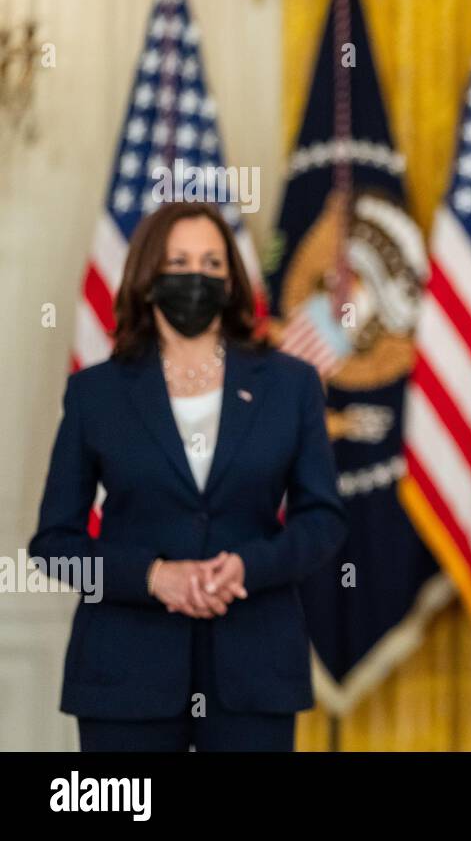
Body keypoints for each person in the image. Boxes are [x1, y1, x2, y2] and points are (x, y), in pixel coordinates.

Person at [30, 202, 347, 751]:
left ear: (231, 281)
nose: (196, 278)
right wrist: (153, 578)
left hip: (254, 671)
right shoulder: (96, 395)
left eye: (212, 264)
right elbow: (55, 545)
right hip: (125, 676)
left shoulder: (290, 385)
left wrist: (250, 565)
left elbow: (322, 520)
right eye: (178, 263)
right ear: (148, 276)